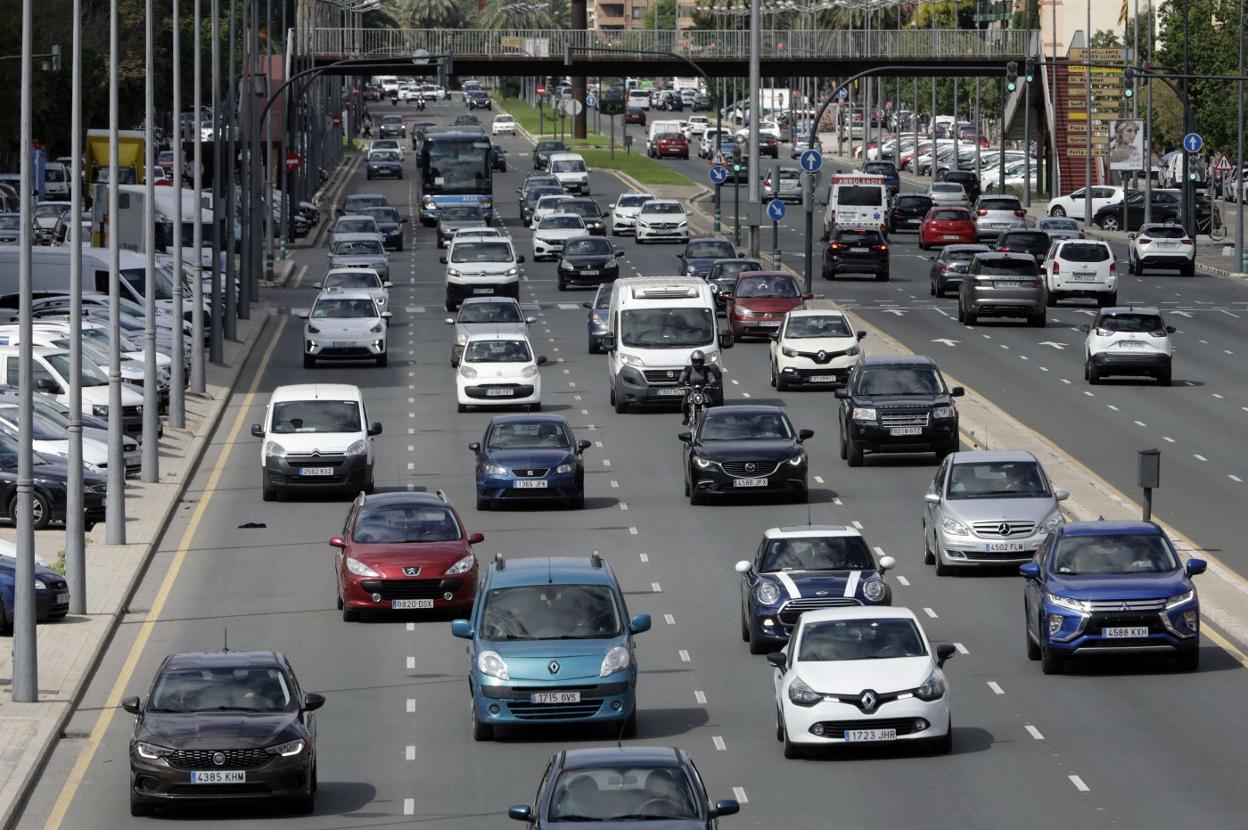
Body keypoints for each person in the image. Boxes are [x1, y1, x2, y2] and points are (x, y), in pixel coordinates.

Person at [678, 350, 721, 425]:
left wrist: (713, 383)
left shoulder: (706, 369)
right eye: (695, 361)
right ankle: (686, 417)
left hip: (703, 390)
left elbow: (711, 378)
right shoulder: (688, 369)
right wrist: (680, 383)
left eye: (699, 361)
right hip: (691, 390)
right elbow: (682, 376)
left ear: (703, 361)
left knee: (711, 402)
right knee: (684, 403)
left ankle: (710, 418)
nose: (697, 363)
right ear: (692, 361)